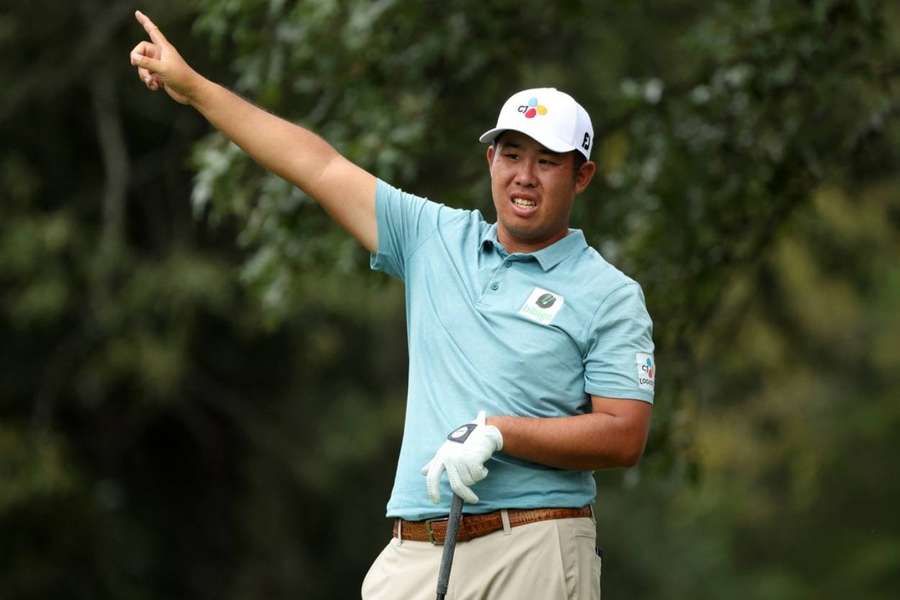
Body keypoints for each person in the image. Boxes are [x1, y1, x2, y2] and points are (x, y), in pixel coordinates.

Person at [130, 10, 655, 599]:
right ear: (490, 161)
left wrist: (501, 433)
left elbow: (623, 435)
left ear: (581, 176)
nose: (524, 177)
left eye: (547, 162)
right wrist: (196, 89)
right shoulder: (435, 238)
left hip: (534, 544)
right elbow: (317, 165)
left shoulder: (609, 294)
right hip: (416, 550)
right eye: (511, 155)